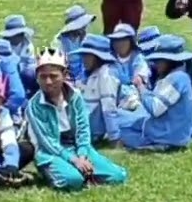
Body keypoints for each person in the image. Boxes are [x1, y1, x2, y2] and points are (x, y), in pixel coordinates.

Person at [25, 47, 128, 190]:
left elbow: (83, 129)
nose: (48, 82)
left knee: (117, 176)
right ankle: (66, 173)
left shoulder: (76, 97)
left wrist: (82, 155)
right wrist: (73, 160)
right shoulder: (34, 106)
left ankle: (85, 172)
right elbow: (48, 142)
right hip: (51, 152)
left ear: (64, 74)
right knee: (73, 180)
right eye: (43, 76)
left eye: (53, 76)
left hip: (77, 148)